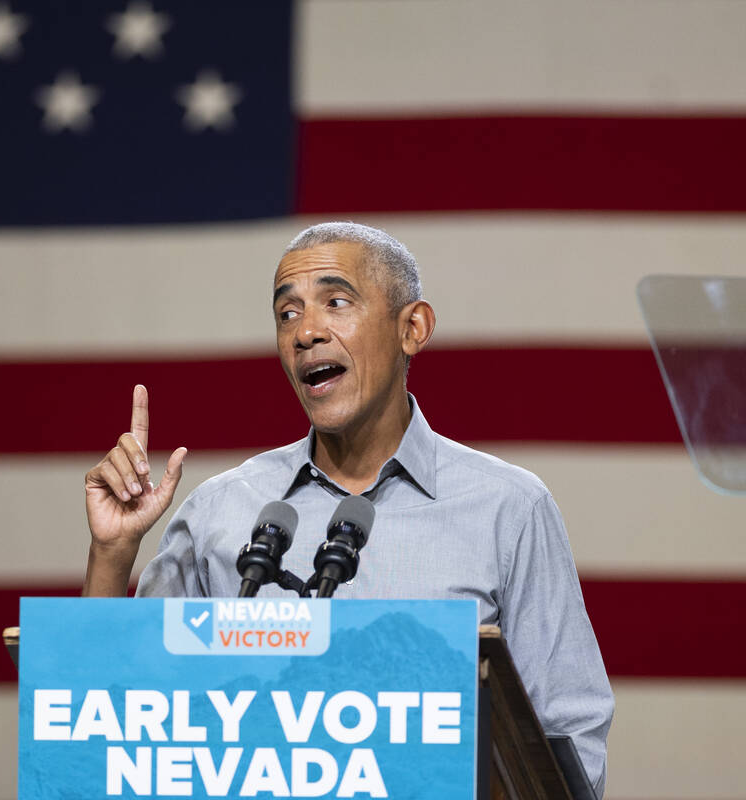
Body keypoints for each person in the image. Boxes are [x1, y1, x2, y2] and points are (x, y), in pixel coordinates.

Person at [80, 221, 614, 795]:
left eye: (336, 302)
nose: (306, 332)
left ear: (413, 327)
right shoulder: (221, 511)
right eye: (288, 314)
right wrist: (113, 552)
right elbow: (115, 719)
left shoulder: (508, 509)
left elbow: (567, 740)